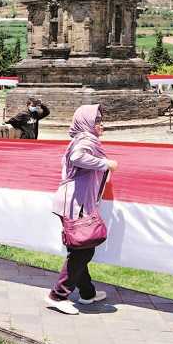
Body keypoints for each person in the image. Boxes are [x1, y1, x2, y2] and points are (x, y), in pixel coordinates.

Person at [47, 105, 118, 315]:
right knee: (84, 249)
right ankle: (57, 296)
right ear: (86, 123)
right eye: (97, 121)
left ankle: (87, 294)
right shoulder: (85, 140)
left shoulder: (83, 138)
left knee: (80, 248)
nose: (101, 124)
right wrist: (105, 163)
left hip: (74, 201)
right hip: (75, 203)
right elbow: (78, 158)